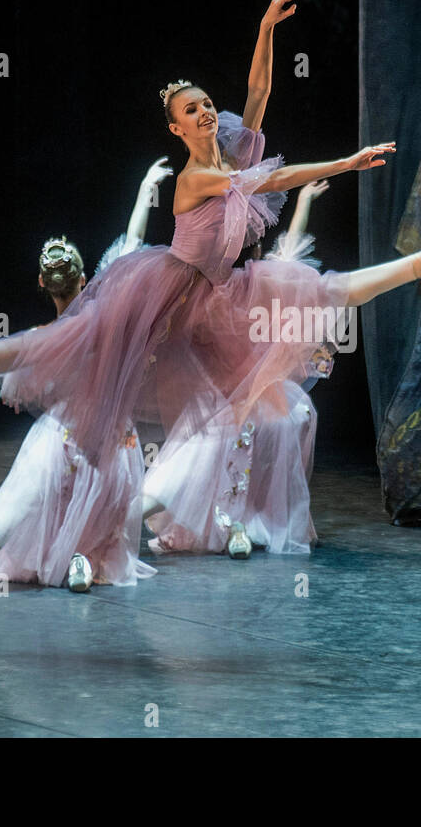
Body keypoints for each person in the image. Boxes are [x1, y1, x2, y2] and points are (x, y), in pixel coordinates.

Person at [0, 0, 421, 558]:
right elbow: (267, 179)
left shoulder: (235, 144)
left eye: (207, 104)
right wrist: (348, 162)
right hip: (160, 295)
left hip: (217, 300)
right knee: (55, 344)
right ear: (175, 128)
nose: (206, 112)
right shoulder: (196, 177)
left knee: (316, 292)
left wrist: (267, 27)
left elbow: (260, 95)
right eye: (191, 111)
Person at [0, 161, 172, 598]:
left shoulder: (44, 341)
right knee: (94, 482)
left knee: (22, 495)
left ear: (44, 284)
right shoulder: (107, 316)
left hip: (64, 440)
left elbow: (16, 378)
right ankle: (82, 558)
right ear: (85, 280)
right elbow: (131, 247)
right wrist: (145, 190)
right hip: (115, 447)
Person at [145, 179, 331, 558]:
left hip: (260, 393)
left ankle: (254, 517)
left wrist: (304, 203)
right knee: (223, 436)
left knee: (289, 418)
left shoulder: (263, 284)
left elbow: (291, 256)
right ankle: (230, 522)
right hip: (220, 395)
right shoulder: (210, 291)